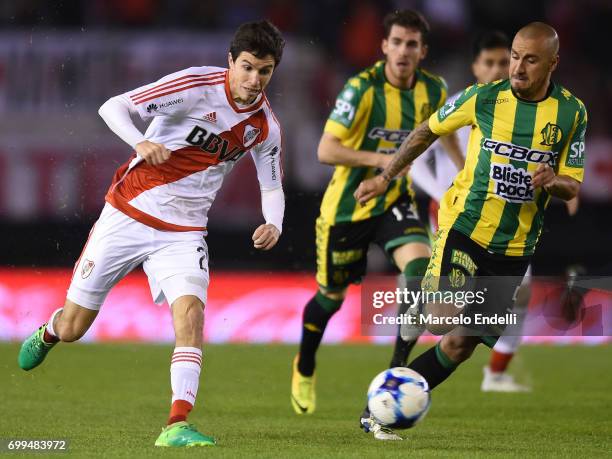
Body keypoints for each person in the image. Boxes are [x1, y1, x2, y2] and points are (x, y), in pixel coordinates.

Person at [17, 20, 286, 448]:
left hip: (185, 233)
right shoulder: (195, 86)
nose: (254, 80)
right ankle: (50, 332)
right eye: (248, 67)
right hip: (128, 213)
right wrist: (140, 143)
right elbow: (113, 107)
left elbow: (271, 184)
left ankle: (176, 423)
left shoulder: (265, 127)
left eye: (265, 71)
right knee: (74, 327)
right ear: (231, 61)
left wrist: (275, 222)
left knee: (191, 318)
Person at [355, 21, 586, 431]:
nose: (517, 68)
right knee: (441, 320)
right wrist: (385, 175)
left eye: (530, 60)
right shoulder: (483, 98)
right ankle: (418, 305)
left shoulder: (572, 113)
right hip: (465, 226)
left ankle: (380, 412)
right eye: (515, 57)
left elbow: (573, 184)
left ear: (553, 62)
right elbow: (427, 129)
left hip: (515, 248)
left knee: (460, 345)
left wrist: (555, 182)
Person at [290, 9, 464, 441]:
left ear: (423, 51)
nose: (404, 51)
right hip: (347, 208)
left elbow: (446, 132)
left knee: (419, 270)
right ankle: (305, 365)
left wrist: (462, 176)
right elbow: (326, 149)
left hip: (394, 202)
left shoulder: (434, 89)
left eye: (412, 44)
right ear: (383, 46)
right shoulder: (362, 89)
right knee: (329, 299)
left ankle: (395, 373)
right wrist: (381, 161)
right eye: (397, 42)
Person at [410, 31, 531, 393]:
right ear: (475, 67)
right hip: (456, 216)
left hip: (501, 221)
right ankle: (427, 307)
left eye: (502, 62)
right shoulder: (467, 103)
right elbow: (417, 155)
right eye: (489, 63)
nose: (497, 69)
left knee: (519, 293)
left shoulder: (520, 108)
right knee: (452, 313)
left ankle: (494, 370)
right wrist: (441, 189)